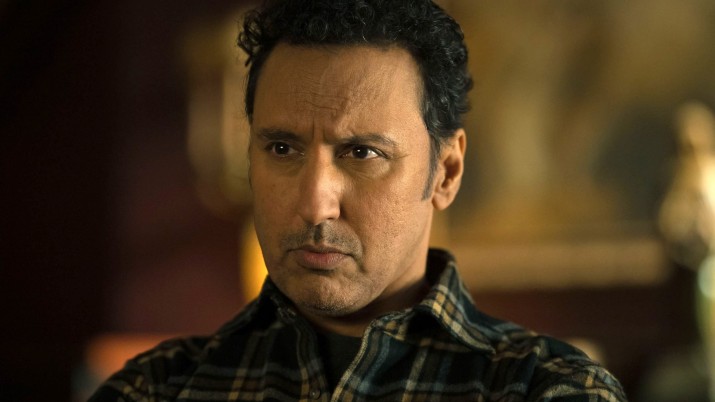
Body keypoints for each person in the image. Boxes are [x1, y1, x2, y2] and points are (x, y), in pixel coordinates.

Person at [90, 0, 627, 400]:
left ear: (446, 172)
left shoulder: (545, 391)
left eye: (363, 153)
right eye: (282, 148)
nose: (315, 204)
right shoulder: (157, 389)